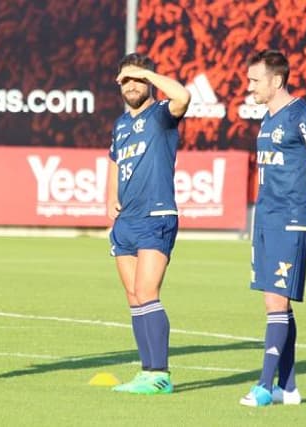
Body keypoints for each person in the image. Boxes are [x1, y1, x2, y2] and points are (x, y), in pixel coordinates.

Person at [240, 50, 306, 406]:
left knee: (275, 303)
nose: (250, 87)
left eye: (255, 80)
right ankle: (288, 388)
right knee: (274, 301)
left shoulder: (302, 115)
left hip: (286, 221)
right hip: (266, 221)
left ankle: (265, 386)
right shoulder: (268, 119)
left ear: (276, 80)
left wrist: (300, 220)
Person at [106, 53, 191, 395]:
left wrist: (147, 73)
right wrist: (109, 197)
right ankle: (146, 372)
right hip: (127, 220)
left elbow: (183, 97)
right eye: (125, 80)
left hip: (156, 216)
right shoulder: (120, 124)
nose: (131, 86)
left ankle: (160, 373)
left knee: (147, 292)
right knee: (133, 296)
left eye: (137, 79)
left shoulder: (161, 115)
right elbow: (113, 160)